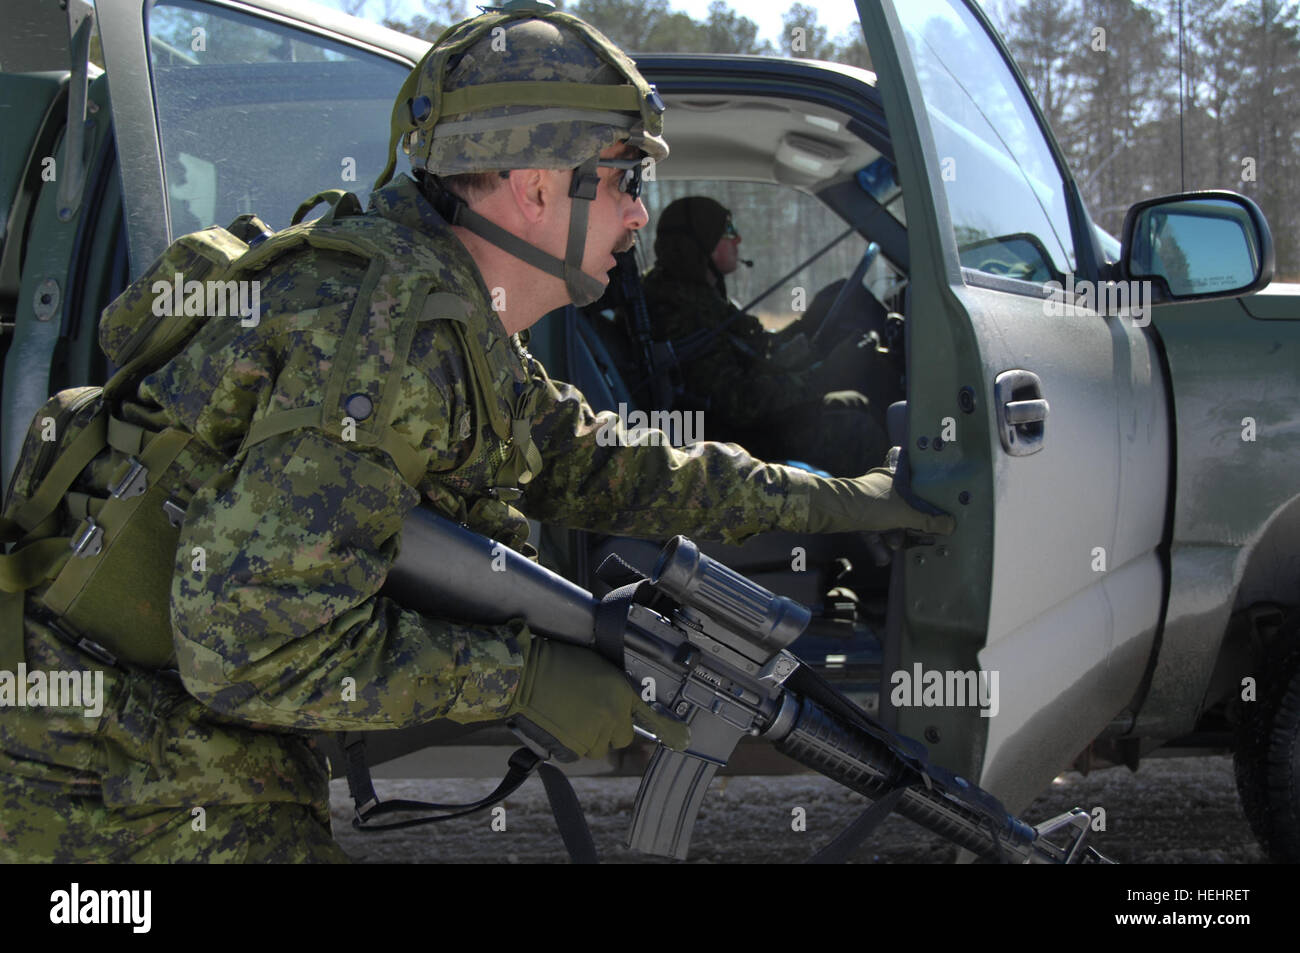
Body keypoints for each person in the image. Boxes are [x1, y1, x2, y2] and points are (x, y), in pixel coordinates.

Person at [0, 4, 952, 864]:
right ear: (537, 188)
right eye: (623, 177)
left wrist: (843, 499)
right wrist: (524, 676)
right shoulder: (385, 332)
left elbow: (605, 463)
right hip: (102, 780)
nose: (637, 212)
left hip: (165, 741)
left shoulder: (448, 312)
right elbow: (250, 652)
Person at [642, 196, 890, 474]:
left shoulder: (699, 297)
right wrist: (826, 375)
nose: (738, 240)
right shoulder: (675, 310)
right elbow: (738, 401)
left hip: (746, 426)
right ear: (701, 242)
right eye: (728, 232)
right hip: (727, 443)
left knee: (855, 403)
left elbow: (751, 355)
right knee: (857, 430)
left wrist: (806, 329)